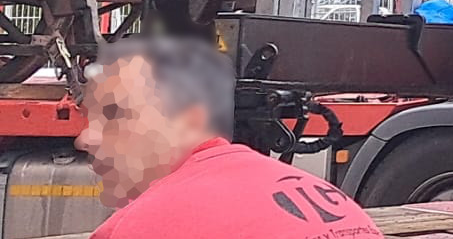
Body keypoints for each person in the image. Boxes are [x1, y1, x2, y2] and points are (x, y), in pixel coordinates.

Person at [75, 34, 384, 238]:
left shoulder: (142, 226)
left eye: (114, 115)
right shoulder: (325, 196)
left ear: (190, 117)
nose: (85, 138)